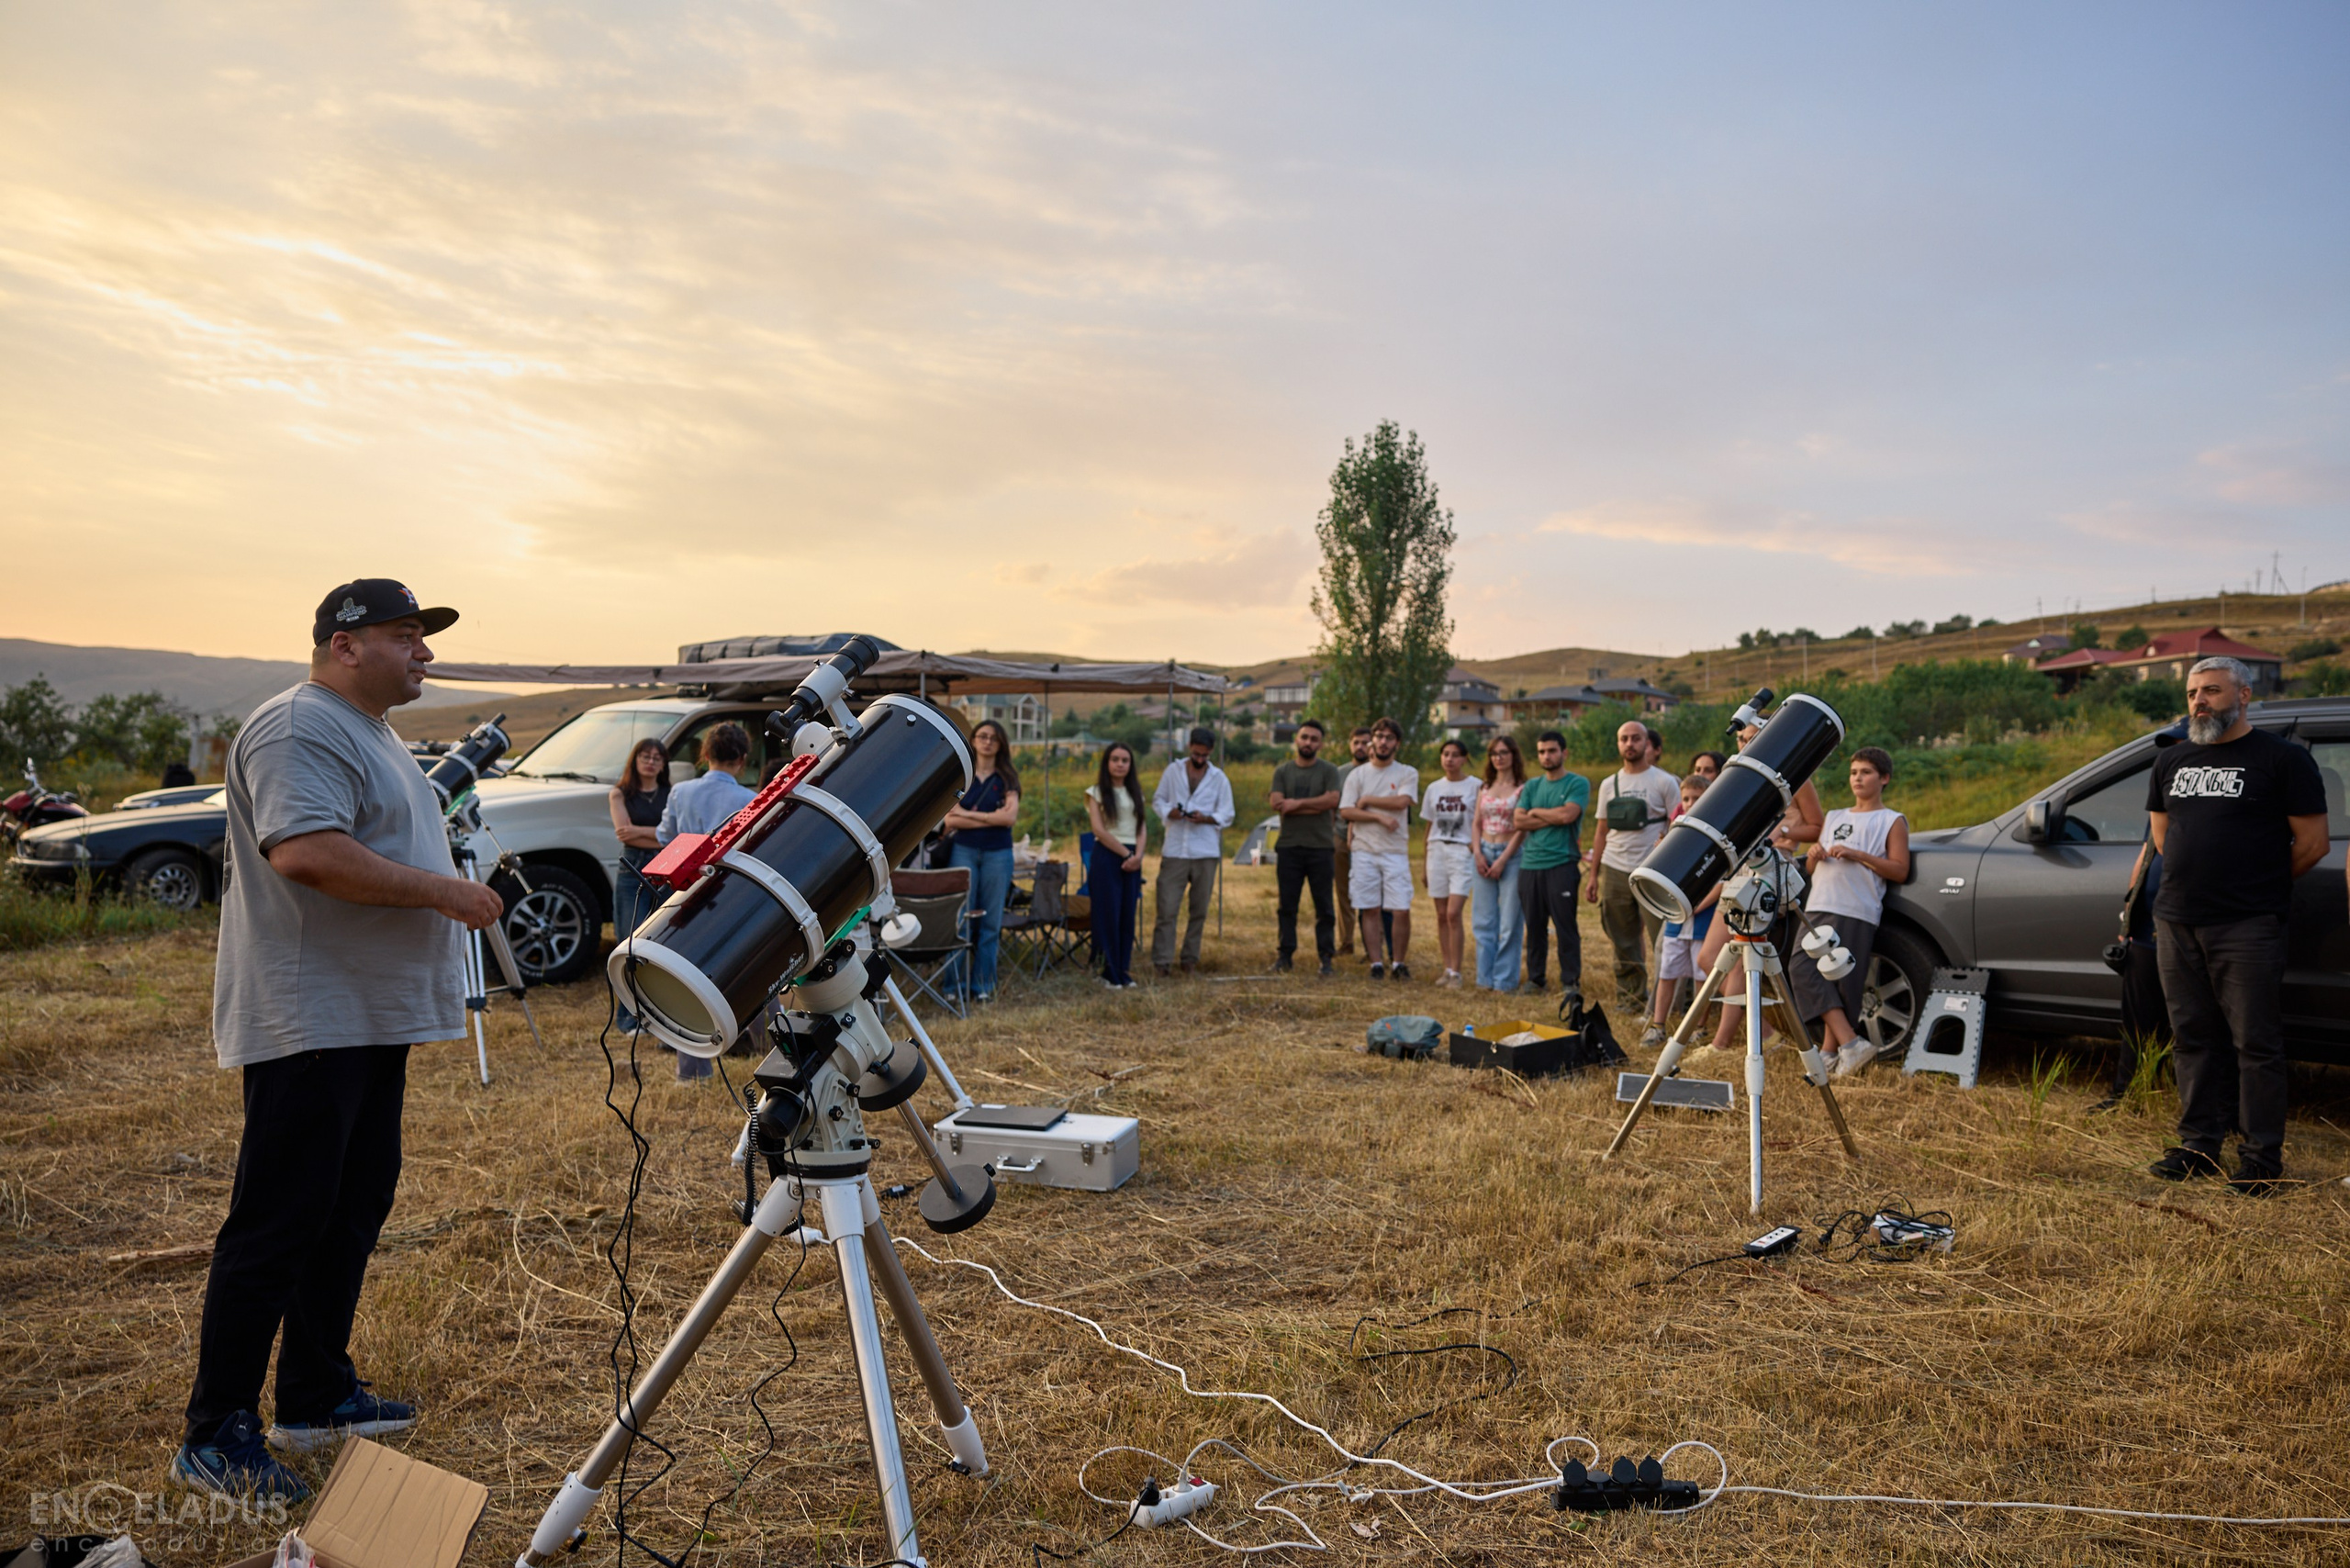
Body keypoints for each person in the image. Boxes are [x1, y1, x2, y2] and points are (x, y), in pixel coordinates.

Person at [176, 579, 504, 1503]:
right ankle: (215, 1431)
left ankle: (315, 1395)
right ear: (347, 642)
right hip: (309, 1016)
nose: (425, 655)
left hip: (366, 1017)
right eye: (409, 637)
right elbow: (306, 852)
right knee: (278, 1223)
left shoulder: (369, 730)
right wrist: (445, 891)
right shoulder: (297, 725)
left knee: (349, 1210)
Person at [2143, 657, 2327, 1195]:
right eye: (2193, 691)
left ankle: (2261, 1157)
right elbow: (2163, 839)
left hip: (2247, 924)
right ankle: (2198, 1144)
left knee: (2256, 1042)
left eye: (2213, 690)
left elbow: (2312, 844)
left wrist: (2255, 887)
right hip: (2177, 921)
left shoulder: (2282, 759)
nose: (2199, 700)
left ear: (2244, 695)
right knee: (2192, 1036)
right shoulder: (2171, 760)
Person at [1695, 712, 1825, 1053]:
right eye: (1741, 739)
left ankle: (1721, 1044)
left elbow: (1816, 827)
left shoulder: (1796, 777)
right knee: (1709, 958)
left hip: (1769, 870)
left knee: (1739, 960)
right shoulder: (1736, 777)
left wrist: (1782, 831)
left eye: (1754, 737)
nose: (1746, 743)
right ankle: (1767, 1033)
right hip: (1738, 872)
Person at [1791, 747, 1911, 1077]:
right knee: (1801, 968)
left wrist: (1859, 855)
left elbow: (1899, 870)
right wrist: (1814, 854)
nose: (1857, 778)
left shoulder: (1891, 820)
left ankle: (1831, 1053)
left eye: (1866, 772)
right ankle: (1849, 1044)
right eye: (1853, 772)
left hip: (1855, 907)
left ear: (1883, 779)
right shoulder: (1834, 816)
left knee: (1841, 978)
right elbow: (1814, 869)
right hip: (1819, 903)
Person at [655, 722, 754, 1081]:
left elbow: (666, 836)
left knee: (689, 975)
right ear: (742, 760)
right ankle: (763, 1042)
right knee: (751, 962)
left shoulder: (680, 792)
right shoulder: (748, 798)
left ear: (705, 755)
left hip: (687, 891)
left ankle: (693, 1069)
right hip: (732, 891)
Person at [1585, 719, 1682, 1032]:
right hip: (1614, 867)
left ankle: (1672, 1003)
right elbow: (1601, 830)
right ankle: (1631, 998)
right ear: (1618, 744)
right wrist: (1593, 874)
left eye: (1636, 738)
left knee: (1663, 941)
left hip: (1653, 870)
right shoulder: (1608, 784)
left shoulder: (1665, 782)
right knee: (1622, 938)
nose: (1630, 744)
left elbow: (1679, 823)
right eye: (1624, 738)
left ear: (1646, 743)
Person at [937, 720, 1022, 1005]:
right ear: (973, 740)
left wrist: (970, 816)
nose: (987, 742)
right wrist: (991, 818)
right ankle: (954, 985)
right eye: (982, 736)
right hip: (964, 851)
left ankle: (984, 985)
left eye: (994, 738)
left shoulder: (1008, 778)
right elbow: (950, 819)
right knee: (960, 920)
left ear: (1001, 745)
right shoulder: (963, 775)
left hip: (999, 853)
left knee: (990, 921)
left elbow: (1010, 819)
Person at [1339, 717, 1420, 978]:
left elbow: (1403, 802)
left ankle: (1398, 963)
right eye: (1379, 736)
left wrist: (1366, 801)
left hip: (1395, 851)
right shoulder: (1357, 775)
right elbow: (1346, 810)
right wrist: (1377, 816)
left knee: (1401, 909)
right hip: (1364, 850)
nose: (1383, 742)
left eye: (1389, 738)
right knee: (1369, 907)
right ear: (1373, 739)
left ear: (1396, 743)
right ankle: (1376, 963)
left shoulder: (1407, 772)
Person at [1150, 727, 1234, 975]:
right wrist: (1170, 813)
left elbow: (1228, 814)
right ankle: (1162, 962)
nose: (1199, 759)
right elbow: (1158, 800)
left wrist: (1207, 818)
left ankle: (1189, 960)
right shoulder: (1173, 771)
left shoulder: (1219, 778)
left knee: (1198, 910)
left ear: (1211, 753)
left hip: (1205, 851)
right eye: (1196, 754)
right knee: (1167, 908)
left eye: (1204, 756)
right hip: (1175, 848)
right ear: (1189, 747)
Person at [1514, 731, 1590, 996]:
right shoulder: (1532, 786)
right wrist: (1551, 816)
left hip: (1562, 864)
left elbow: (1569, 815)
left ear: (1564, 753)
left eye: (1552, 751)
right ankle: (1536, 980)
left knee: (1565, 926)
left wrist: (1535, 812)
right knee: (1534, 927)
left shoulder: (1577, 783)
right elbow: (1518, 821)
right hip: (1530, 865)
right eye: (1542, 751)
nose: (1547, 756)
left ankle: (1571, 982)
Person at [1269, 719, 1343, 976]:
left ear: (1320, 744)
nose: (1308, 742)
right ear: (1296, 740)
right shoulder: (1282, 772)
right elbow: (1277, 802)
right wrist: (1315, 804)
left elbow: (1332, 800)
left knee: (1324, 906)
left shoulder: (1329, 771)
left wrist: (1296, 805)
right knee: (1287, 906)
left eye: (1314, 739)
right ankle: (1285, 955)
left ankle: (1326, 958)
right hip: (1289, 847)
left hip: (1320, 847)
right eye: (1304, 737)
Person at [606, 738, 670, 1031]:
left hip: (665, 868)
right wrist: (656, 834)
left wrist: (642, 832)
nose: (651, 762)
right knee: (629, 945)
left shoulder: (670, 793)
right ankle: (627, 1018)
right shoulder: (619, 793)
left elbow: (672, 836)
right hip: (632, 870)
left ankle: (658, 1017)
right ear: (635, 760)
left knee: (660, 943)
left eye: (657, 758)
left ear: (664, 764)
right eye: (645, 756)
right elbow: (624, 834)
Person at [1650, 774, 1718, 1038]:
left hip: (1703, 913)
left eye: (1697, 798)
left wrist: (1698, 905)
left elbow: (1721, 880)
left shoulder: (1716, 831)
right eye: (1686, 798)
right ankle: (1658, 1025)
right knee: (1667, 970)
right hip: (1677, 915)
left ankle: (1698, 1026)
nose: (1690, 803)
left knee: (1701, 974)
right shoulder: (1676, 829)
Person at [1085, 742, 1148, 989]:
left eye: (1125, 760)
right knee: (1107, 914)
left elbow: (1141, 827)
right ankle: (1106, 972)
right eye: (1115, 759)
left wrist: (1139, 855)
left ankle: (1123, 970)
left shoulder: (1135, 792)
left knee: (1126, 915)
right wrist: (1125, 855)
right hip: (1109, 856)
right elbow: (1098, 830)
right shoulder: (1096, 792)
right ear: (1107, 763)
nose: (1120, 764)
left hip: (1133, 858)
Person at [1470, 735, 1528, 991]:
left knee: (1510, 922)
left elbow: (1522, 828)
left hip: (1511, 854)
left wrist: (1504, 859)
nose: (1498, 757)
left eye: (1503, 752)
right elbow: (1475, 823)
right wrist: (1477, 853)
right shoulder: (1484, 787)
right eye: (1494, 753)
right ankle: (1484, 979)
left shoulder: (1523, 788)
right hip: (1484, 850)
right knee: (1483, 920)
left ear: (1513, 755)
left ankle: (1504, 981)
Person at [1421, 739, 1480, 988]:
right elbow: (1428, 824)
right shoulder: (1434, 788)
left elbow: (1482, 820)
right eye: (1445, 754)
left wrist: (1475, 845)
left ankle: (1457, 971)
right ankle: (1446, 968)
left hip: (1461, 851)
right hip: (1437, 849)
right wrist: (1425, 860)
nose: (1450, 759)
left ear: (1465, 758)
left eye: (1455, 755)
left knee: (1454, 913)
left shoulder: (1476, 786)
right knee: (1441, 914)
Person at [1332, 725, 1373, 956]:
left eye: (1365, 743)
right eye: (1356, 742)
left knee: (1370, 895)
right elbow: (1332, 808)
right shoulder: (1339, 773)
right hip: (1340, 837)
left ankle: (1372, 946)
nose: (1360, 747)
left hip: (1370, 840)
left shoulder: (1378, 772)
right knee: (1343, 892)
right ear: (1350, 744)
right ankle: (1346, 942)